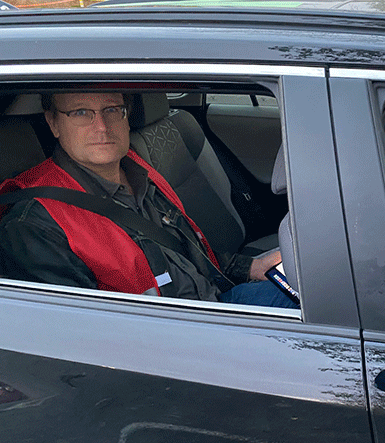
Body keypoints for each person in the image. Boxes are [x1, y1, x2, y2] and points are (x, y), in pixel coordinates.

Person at [0, 92, 294, 308]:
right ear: (53, 123)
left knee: (324, 288)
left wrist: (251, 268)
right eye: (81, 113)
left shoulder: (138, 170)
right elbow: (82, 339)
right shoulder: (34, 224)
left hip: (215, 302)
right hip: (179, 344)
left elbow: (185, 252)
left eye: (112, 109)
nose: (101, 126)